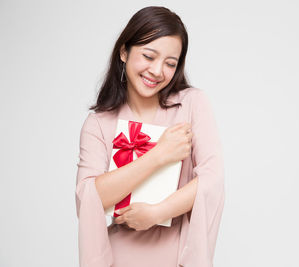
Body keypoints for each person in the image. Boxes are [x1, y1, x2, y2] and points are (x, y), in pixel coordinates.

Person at [75, 6, 225, 267]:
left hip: (178, 254)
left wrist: (158, 212)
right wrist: (158, 156)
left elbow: (212, 180)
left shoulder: (192, 103)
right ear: (124, 51)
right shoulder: (98, 123)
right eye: (148, 56)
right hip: (119, 256)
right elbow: (90, 196)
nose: (157, 71)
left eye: (170, 63)